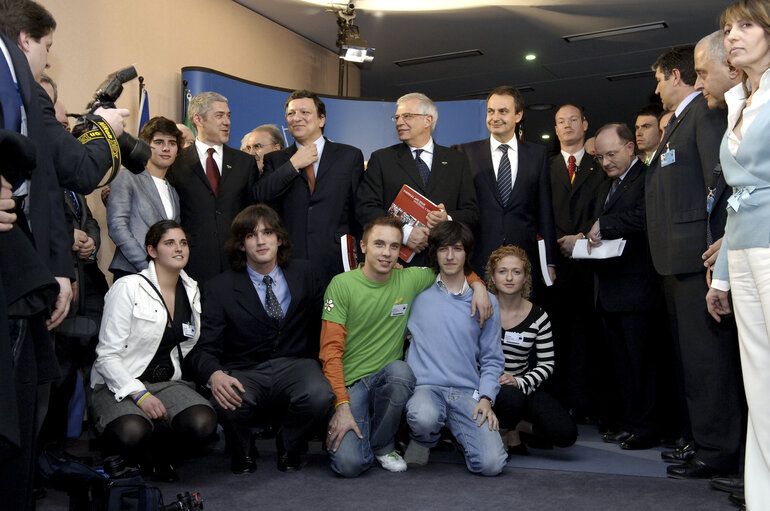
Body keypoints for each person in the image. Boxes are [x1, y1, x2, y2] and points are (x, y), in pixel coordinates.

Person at [320, 216, 492, 477]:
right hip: (351, 383)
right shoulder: (341, 285)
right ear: (364, 247)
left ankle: (382, 445)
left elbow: (452, 265)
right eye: (379, 244)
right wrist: (341, 406)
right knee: (349, 466)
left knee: (402, 372)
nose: (387, 253)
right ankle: (359, 438)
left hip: (389, 379)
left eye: (393, 246)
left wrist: (478, 285)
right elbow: (330, 352)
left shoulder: (411, 279)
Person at [647, 45, 743, 480]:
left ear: (675, 76)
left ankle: (720, 449)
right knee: (691, 361)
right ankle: (700, 438)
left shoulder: (704, 115)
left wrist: (718, 245)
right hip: (676, 262)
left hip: (698, 259)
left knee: (709, 363)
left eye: (658, 79)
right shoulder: (680, 122)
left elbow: (718, 182)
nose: (656, 88)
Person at [185, 204, 334, 474]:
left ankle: (289, 444)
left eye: (267, 232)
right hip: (245, 368)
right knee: (224, 396)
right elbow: (203, 348)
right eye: (251, 235)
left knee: (320, 393)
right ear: (241, 245)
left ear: (279, 238)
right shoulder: (219, 288)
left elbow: (326, 321)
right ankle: (242, 449)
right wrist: (215, 375)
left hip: (295, 364)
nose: (261, 240)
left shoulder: (306, 274)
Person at [90, 221, 217, 482]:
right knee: (131, 430)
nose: (179, 248)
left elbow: (189, 346)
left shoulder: (191, 290)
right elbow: (106, 356)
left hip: (168, 383)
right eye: (169, 243)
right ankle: (133, 455)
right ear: (152, 250)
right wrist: (140, 395)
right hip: (120, 383)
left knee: (202, 421)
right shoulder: (128, 287)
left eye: (183, 243)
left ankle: (160, 451)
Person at [706, 1, 770, 507]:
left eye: (746, 25)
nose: (733, 36)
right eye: (728, 29)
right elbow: (734, 200)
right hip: (745, 248)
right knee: (759, 382)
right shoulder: (740, 99)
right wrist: (721, 277)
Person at [403, 221, 507, 476]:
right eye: (443, 249)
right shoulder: (416, 293)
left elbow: (493, 359)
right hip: (426, 390)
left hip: (467, 393)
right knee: (423, 416)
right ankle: (424, 438)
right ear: (434, 253)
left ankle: (462, 437)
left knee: (492, 465)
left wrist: (486, 398)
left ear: (467, 253)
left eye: (457, 249)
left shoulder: (486, 302)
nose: (450, 256)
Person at [586, 123, 663, 450]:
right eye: (601, 157)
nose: (606, 162)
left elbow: (646, 218)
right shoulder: (606, 186)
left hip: (637, 291)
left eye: (612, 154)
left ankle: (647, 427)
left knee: (641, 365)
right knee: (619, 365)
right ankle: (628, 422)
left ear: (631, 147)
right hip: (609, 291)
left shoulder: (647, 179)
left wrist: (607, 224)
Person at [454, 85, 556, 295]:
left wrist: (550, 262)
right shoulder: (466, 153)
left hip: (523, 259)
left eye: (503, 111)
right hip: (479, 257)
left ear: (518, 115)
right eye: (491, 111)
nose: (495, 117)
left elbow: (545, 212)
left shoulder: (537, 155)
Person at [356, 92, 478, 266]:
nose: (399, 122)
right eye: (397, 117)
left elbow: (472, 213)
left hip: (444, 265)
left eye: (407, 116)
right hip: (396, 267)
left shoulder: (457, 161)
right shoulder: (382, 159)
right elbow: (365, 208)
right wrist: (403, 233)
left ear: (427, 120)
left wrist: (447, 219)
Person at [258, 90, 364, 289]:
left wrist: (364, 257)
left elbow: (359, 210)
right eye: (291, 114)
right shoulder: (277, 160)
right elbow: (260, 196)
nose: (296, 118)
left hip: (336, 262)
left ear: (321, 119)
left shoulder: (349, 156)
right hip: (289, 260)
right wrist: (293, 166)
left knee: (336, 320)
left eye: (304, 112)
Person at [548, 103, 608, 423]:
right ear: (555, 129)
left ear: (585, 125)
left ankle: (588, 405)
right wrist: (561, 244)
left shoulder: (601, 168)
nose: (567, 125)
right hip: (555, 267)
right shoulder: (545, 167)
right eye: (561, 122)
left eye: (573, 120)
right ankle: (560, 404)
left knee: (589, 337)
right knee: (556, 337)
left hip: (592, 264)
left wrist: (582, 239)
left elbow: (604, 211)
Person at [485, 246, 577, 456]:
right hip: (485, 388)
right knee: (508, 397)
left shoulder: (539, 316)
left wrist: (519, 382)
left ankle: (515, 426)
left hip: (521, 387)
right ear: (492, 276)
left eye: (516, 272)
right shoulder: (483, 309)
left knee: (565, 434)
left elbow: (546, 364)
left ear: (525, 277)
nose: (509, 278)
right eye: (502, 271)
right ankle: (501, 433)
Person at [168, 91, 258, 283]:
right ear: (198, 119)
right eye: (219, 116)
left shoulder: (244, 163)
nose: (227, 122)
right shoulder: (176, 164)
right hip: (192, 266)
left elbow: (252, 213)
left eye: (228, 115)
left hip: (237, 265)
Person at [108, 117, 183, 280]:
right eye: (158, 142)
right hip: (132, 272)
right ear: (145, 145)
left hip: (164, 275)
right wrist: (147, 265)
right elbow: (117, 226)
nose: (166, 148)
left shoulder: (173, 191)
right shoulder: (127, 177)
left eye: (172, 143)